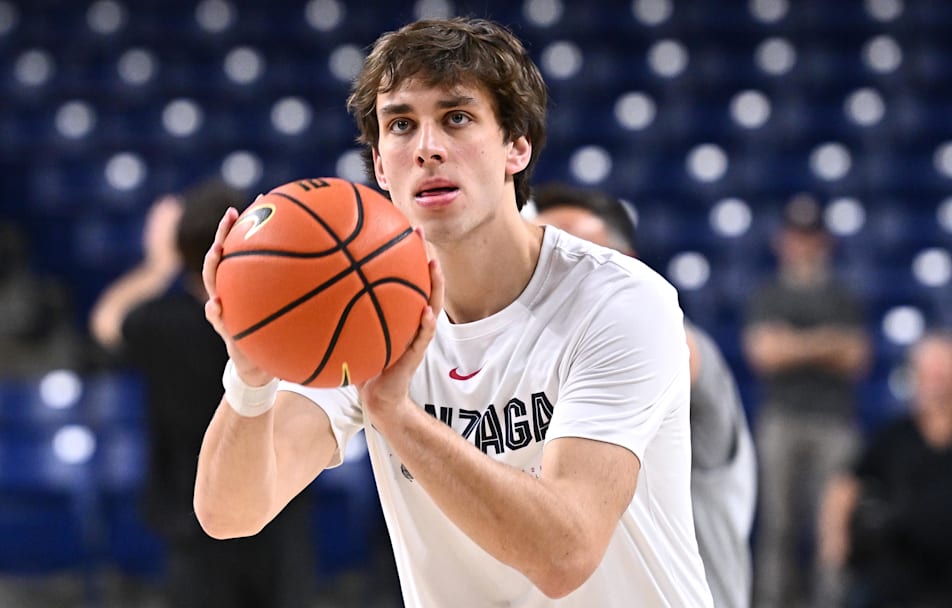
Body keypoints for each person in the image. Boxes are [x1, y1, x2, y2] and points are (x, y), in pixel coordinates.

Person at [194, 17, 713, 607]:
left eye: (456, 118)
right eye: (401, 125)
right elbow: (230, 513)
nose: (428, 148)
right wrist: (252, 372)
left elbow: (564, 555)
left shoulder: (619, 302)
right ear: (380, 165)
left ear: (516, 145)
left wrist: (396, 416)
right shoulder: (360, 306)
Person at [89, 177, 314, 608]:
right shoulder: (283, 320)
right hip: (275, 515)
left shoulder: (158, 323)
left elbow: (106, 321)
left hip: (196, 519)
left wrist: (158, 265)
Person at [531, 182, 758, 608]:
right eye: (540, 259)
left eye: (572, 257)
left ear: (627, 265)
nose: (550, 277)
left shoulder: (674, 341)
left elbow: (662, 348)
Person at [742, 193, 872, 608]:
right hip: (782, 418)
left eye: (810, 236)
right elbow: (764, 353)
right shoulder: (769, 294)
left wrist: (794, 344)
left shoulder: (842, 294)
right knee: (778, 525)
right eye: (797, 235)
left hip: (834, 421)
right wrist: (825, 344)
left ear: (824, 241)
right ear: (783, 240)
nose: (803, 243)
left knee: (832, 526)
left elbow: (856, 357)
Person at [817, 331, 952, 608]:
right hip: (898, 572)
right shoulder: (894, 436)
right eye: (929, 372)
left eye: (942, 372)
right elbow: (845, 485)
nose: (936, 382)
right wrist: (834, 543)